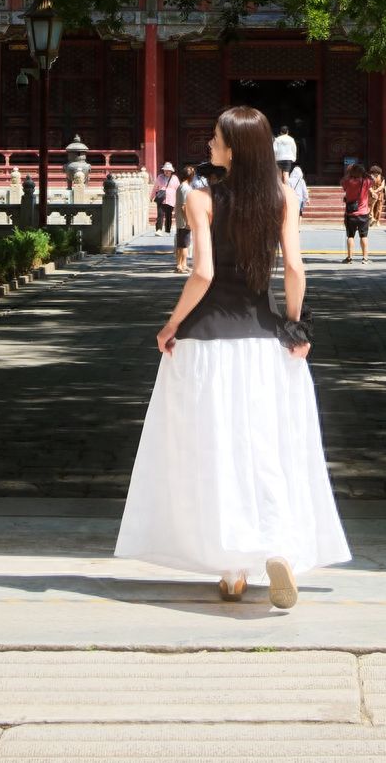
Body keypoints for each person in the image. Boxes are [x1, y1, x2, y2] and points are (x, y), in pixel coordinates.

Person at [115, 105, 350, 608]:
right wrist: (294, 325)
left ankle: (234, 566)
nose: (209, 145)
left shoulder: (201, 198)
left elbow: (201, 274)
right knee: (266, 445)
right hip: (265, 342)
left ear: (235, 147)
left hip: (207, 346)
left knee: (215, 450)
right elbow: (296, 271)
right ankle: (276, 549)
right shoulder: (283, 196)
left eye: (216, 138)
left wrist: (171, 325)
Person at [340, 159, 372, 263]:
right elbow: (372, 179)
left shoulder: (348, 181)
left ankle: (349, 258)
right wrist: (364, 173)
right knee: (364, 236)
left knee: (350, 236)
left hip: (351, 213)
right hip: (363, 213)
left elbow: (343, 183)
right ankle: (365, 258)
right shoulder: (366, 182)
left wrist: (349, 173)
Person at [273, 132, 308, 216]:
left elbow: (275, 149)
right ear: (287, 132)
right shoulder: (291, 139)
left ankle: (279, 186)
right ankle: (286, 188)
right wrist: (294, 157)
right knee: (286, 174)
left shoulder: (277, 139)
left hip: (279, 158)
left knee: (279, 174)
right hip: (288, 158)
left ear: (280, 132)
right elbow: (294, 148)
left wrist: (275, 157)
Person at [174, 163, 197, 273]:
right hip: (184, 220)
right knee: (185, 245)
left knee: (180, 244)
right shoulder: (186, 188)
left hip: (179, 220)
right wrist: (188, 220)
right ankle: (182, 265)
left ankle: (180, 264)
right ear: (191, 176)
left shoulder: (180, 187)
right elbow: (184, 206)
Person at [153, 161, 178, 234]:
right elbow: (155, 187)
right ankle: (158, 230)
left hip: (171, 199)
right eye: (165, 170)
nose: (166, 172)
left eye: (168, 170)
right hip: (161, 198)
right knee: (160, 214)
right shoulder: (160, 177)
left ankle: (167, 229)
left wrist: (179, 199)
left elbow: (178, 188)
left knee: (168, 214)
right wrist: (152, 196)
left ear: (171, 171)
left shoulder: (175, 178)